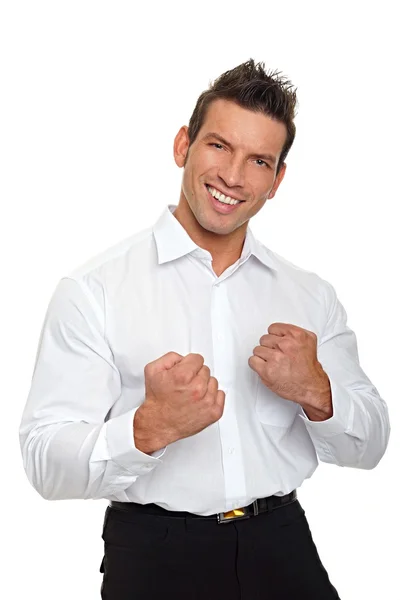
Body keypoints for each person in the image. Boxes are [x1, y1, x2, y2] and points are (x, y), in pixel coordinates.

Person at [19, 59, 390, 599]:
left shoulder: (310, 295)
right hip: (155, 555)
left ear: (277, 179)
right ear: (182, 146)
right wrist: (146, 429)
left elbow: (371, 445)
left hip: (283, 544)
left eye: (259, 160)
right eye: (219, 146)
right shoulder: (94, 290)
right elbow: (44, 466)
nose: (234, 177)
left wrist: (317, 391)